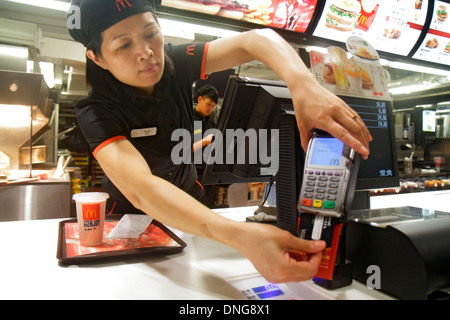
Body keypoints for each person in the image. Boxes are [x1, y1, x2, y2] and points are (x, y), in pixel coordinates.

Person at [67, 0, 372, 284]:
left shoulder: (175, 61)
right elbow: (140, 187)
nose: (146, 51)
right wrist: (241, 236)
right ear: (97, 58)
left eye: (151, 33)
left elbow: (254, 40)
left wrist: (303, 84)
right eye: (124, 44)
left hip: (192, 207)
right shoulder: (96, 111)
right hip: (131, 222)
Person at [192, 84, 218, 207]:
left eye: (213, 106)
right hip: (192, 172)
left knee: (208, 206)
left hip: (208, 172)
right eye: (208, 104)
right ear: (199, 99)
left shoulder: (211, 123)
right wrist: (204, 141)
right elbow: (182, 149)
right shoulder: (188, 119)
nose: (210, 109)